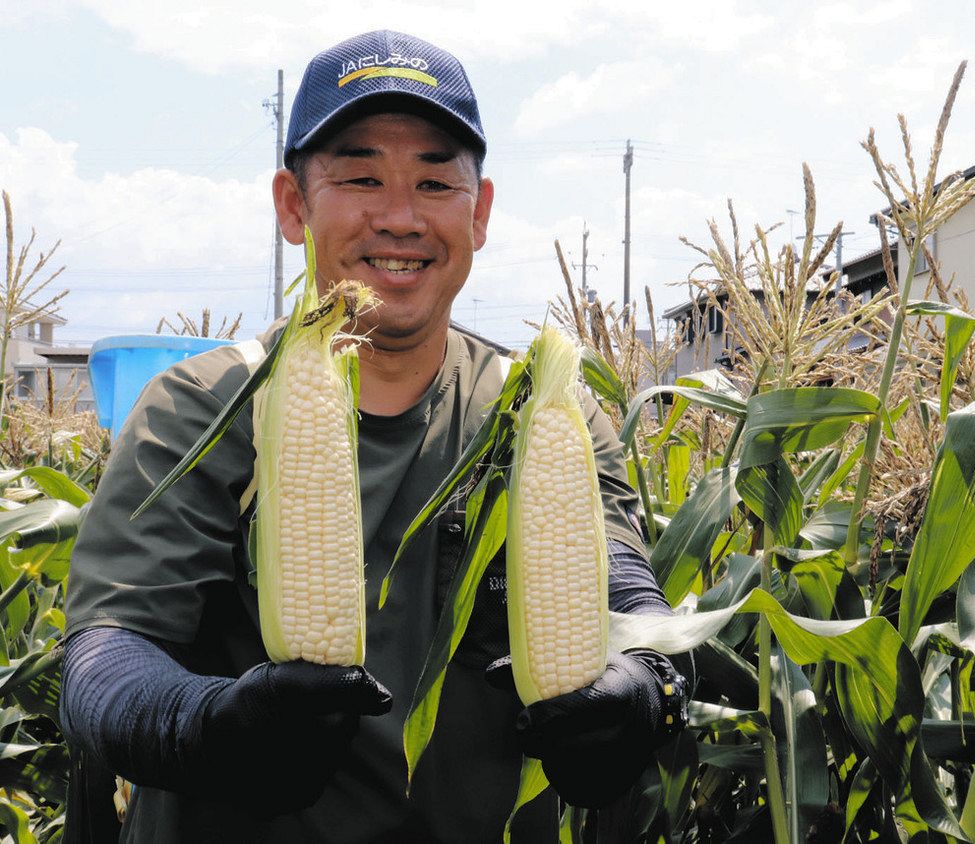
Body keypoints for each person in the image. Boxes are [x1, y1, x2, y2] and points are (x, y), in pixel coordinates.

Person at [59, 30, 687, 843]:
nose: (399, 218)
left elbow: (634, 602)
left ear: (480, 212)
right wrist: (201, 726)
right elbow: (104, 656)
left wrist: (647, 689)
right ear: (293, 205)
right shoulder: (202, 408)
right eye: (361, 177)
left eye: (434, 181)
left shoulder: (543, 416)